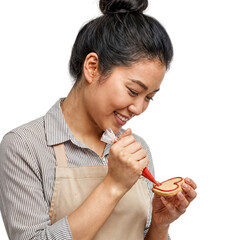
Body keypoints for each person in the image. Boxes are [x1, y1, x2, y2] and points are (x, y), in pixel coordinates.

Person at [0, 0, 197, 239]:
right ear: (92, 67)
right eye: (134, 91)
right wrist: (113, 185)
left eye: (149, 98)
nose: (138, 108)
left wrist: (159, 225)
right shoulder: (25, 146)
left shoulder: (136, 149)